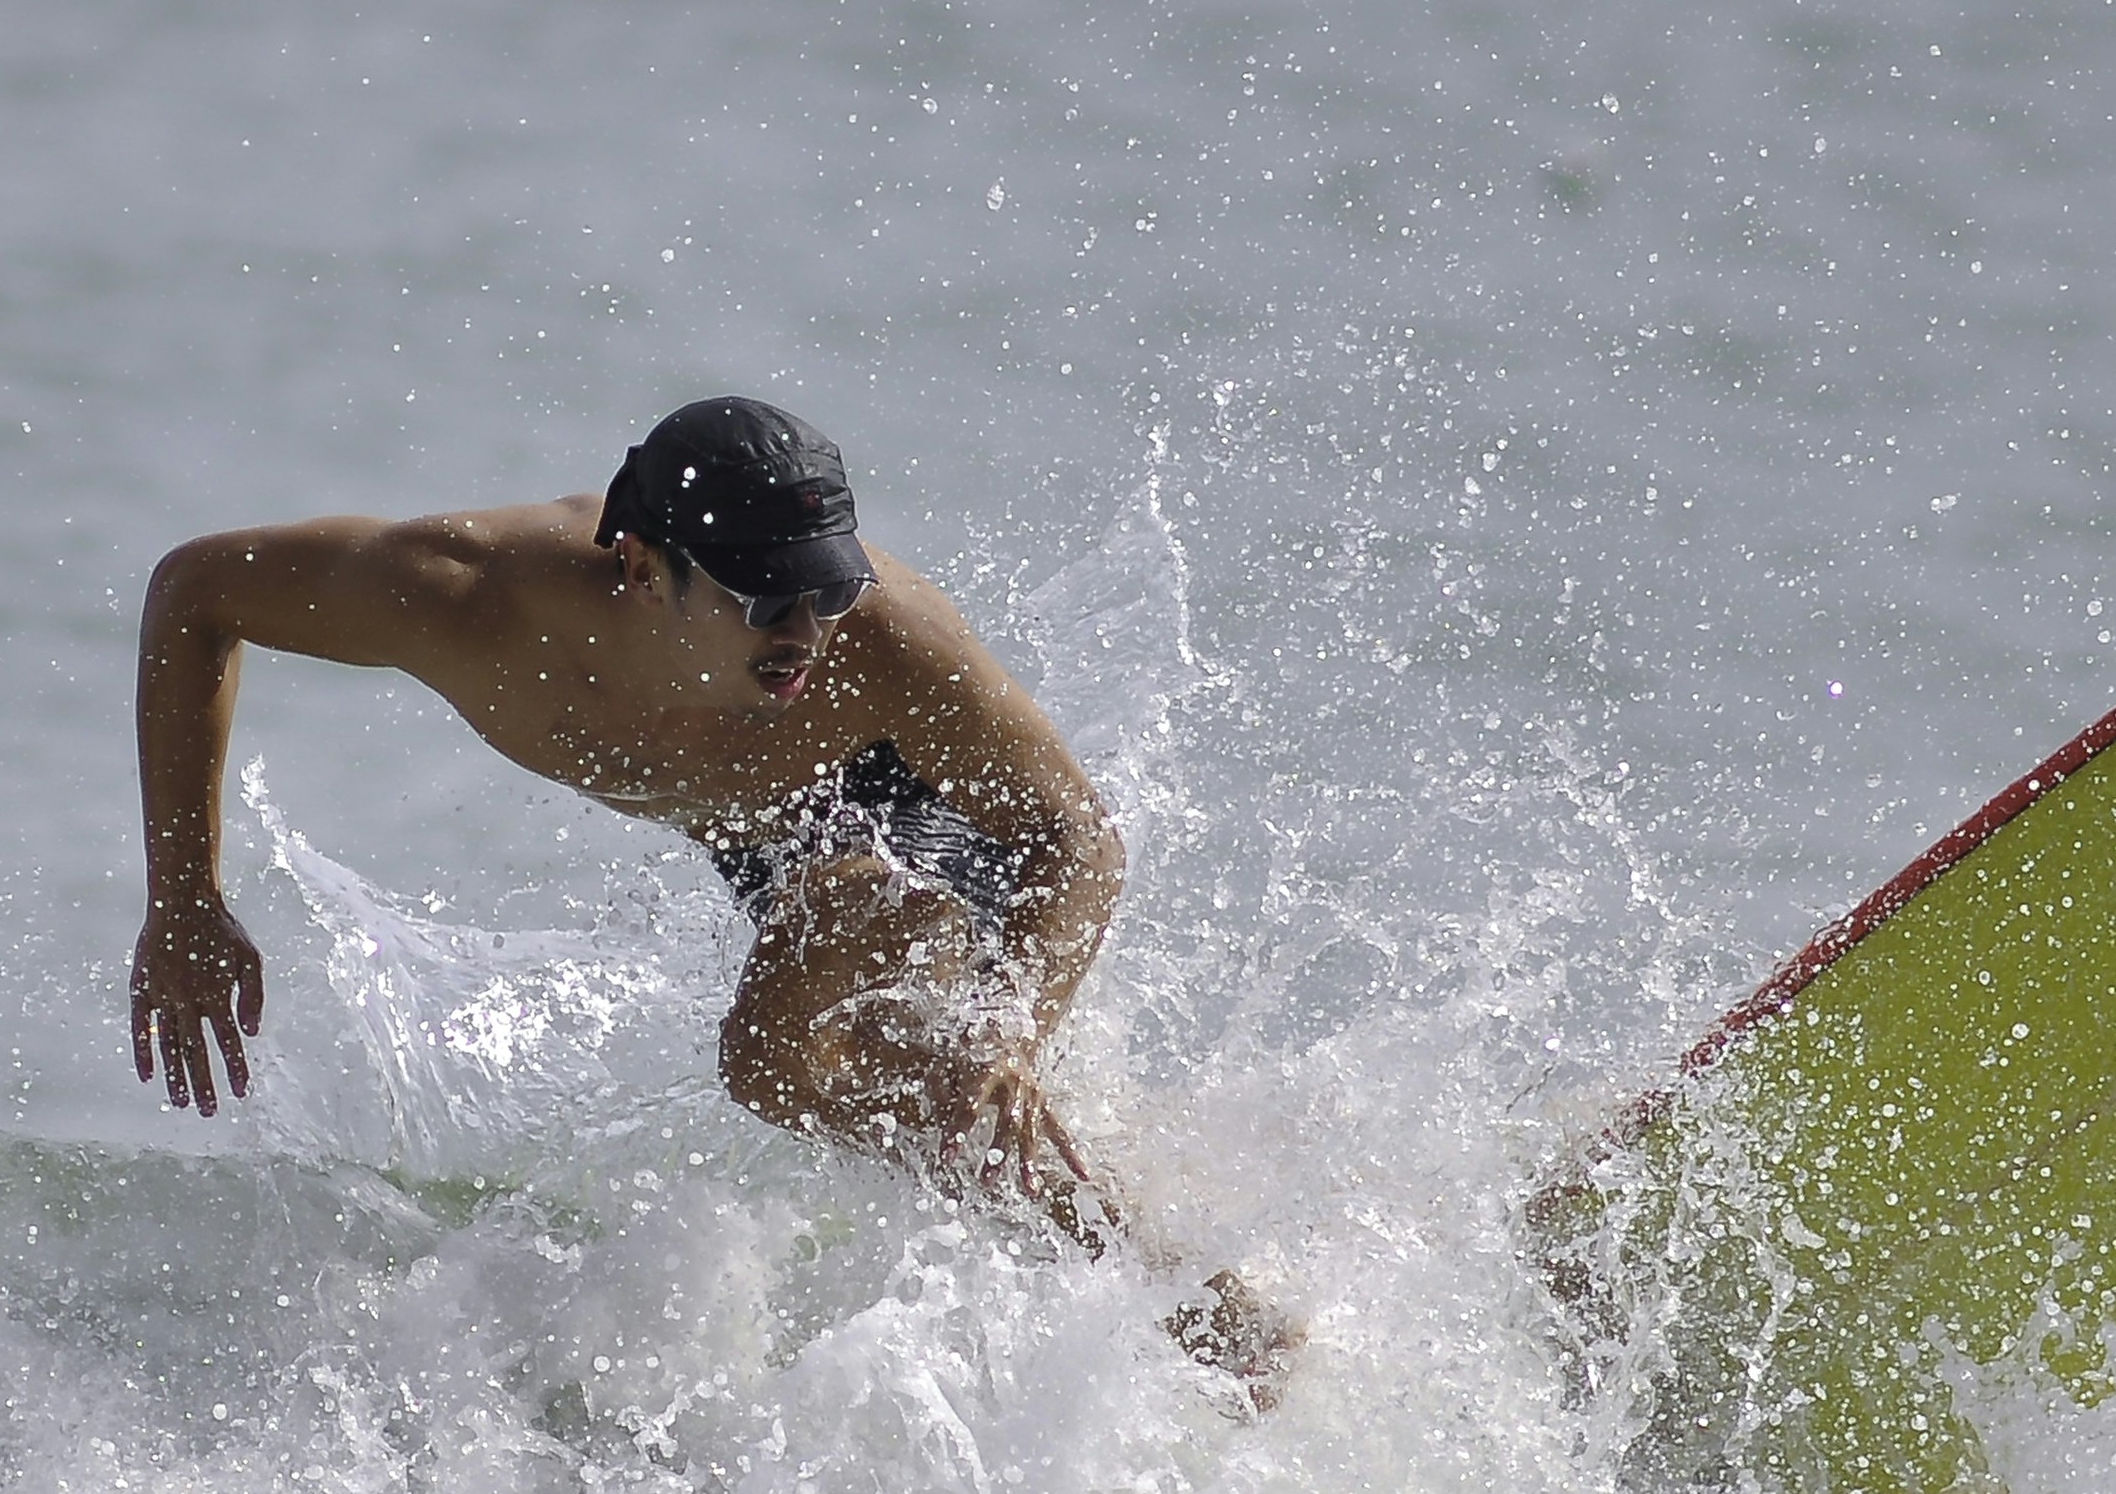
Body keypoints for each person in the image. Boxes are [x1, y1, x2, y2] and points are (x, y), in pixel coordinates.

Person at [127, 394, 1294, 1391]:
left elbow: (1072, 834)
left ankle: (1189, 1306)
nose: (804, 634)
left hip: (908, 825)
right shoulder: (459, 597)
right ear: (641, 565)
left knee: (883, 1024)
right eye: (764, 599)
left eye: (825, 593)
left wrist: (1012, 1023)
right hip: (771, 836)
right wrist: (185, 897)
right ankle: (1165, 1287)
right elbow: (195, 593)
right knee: (792, 1079)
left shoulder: (883, 639)